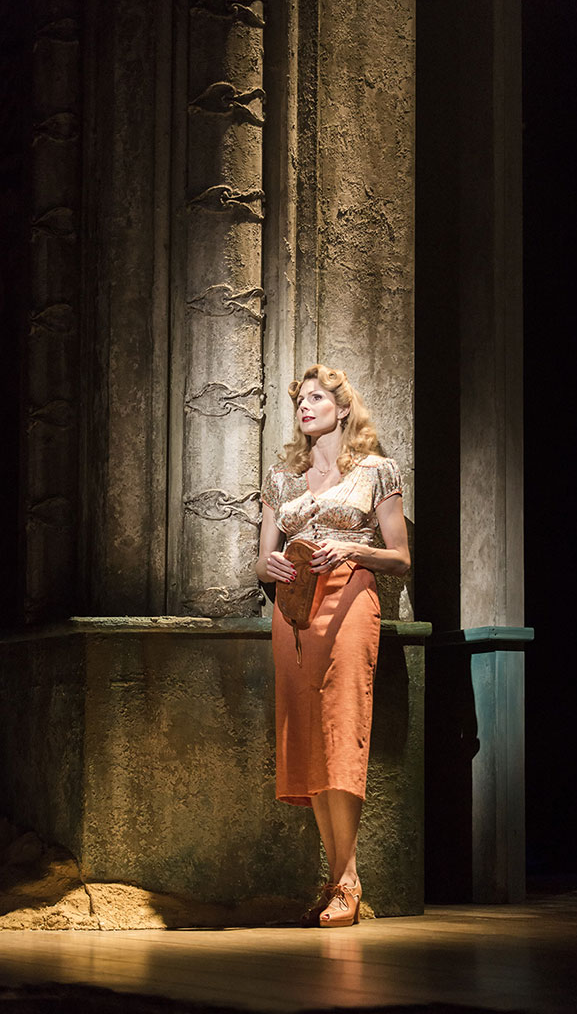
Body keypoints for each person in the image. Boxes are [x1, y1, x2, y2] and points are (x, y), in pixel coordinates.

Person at [255, 363, 411, 927]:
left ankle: (348, 879)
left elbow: (401, 558)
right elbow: (262, 560)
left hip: (349, 598)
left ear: (343, 408)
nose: (305, 405)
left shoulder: (376, 471)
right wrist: (270, 565)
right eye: (300, 398)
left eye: (317, 397)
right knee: (307, 736)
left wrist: (353, 551)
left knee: (341, 727)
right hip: (293, 607)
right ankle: (337, 878)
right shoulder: (281, 478)